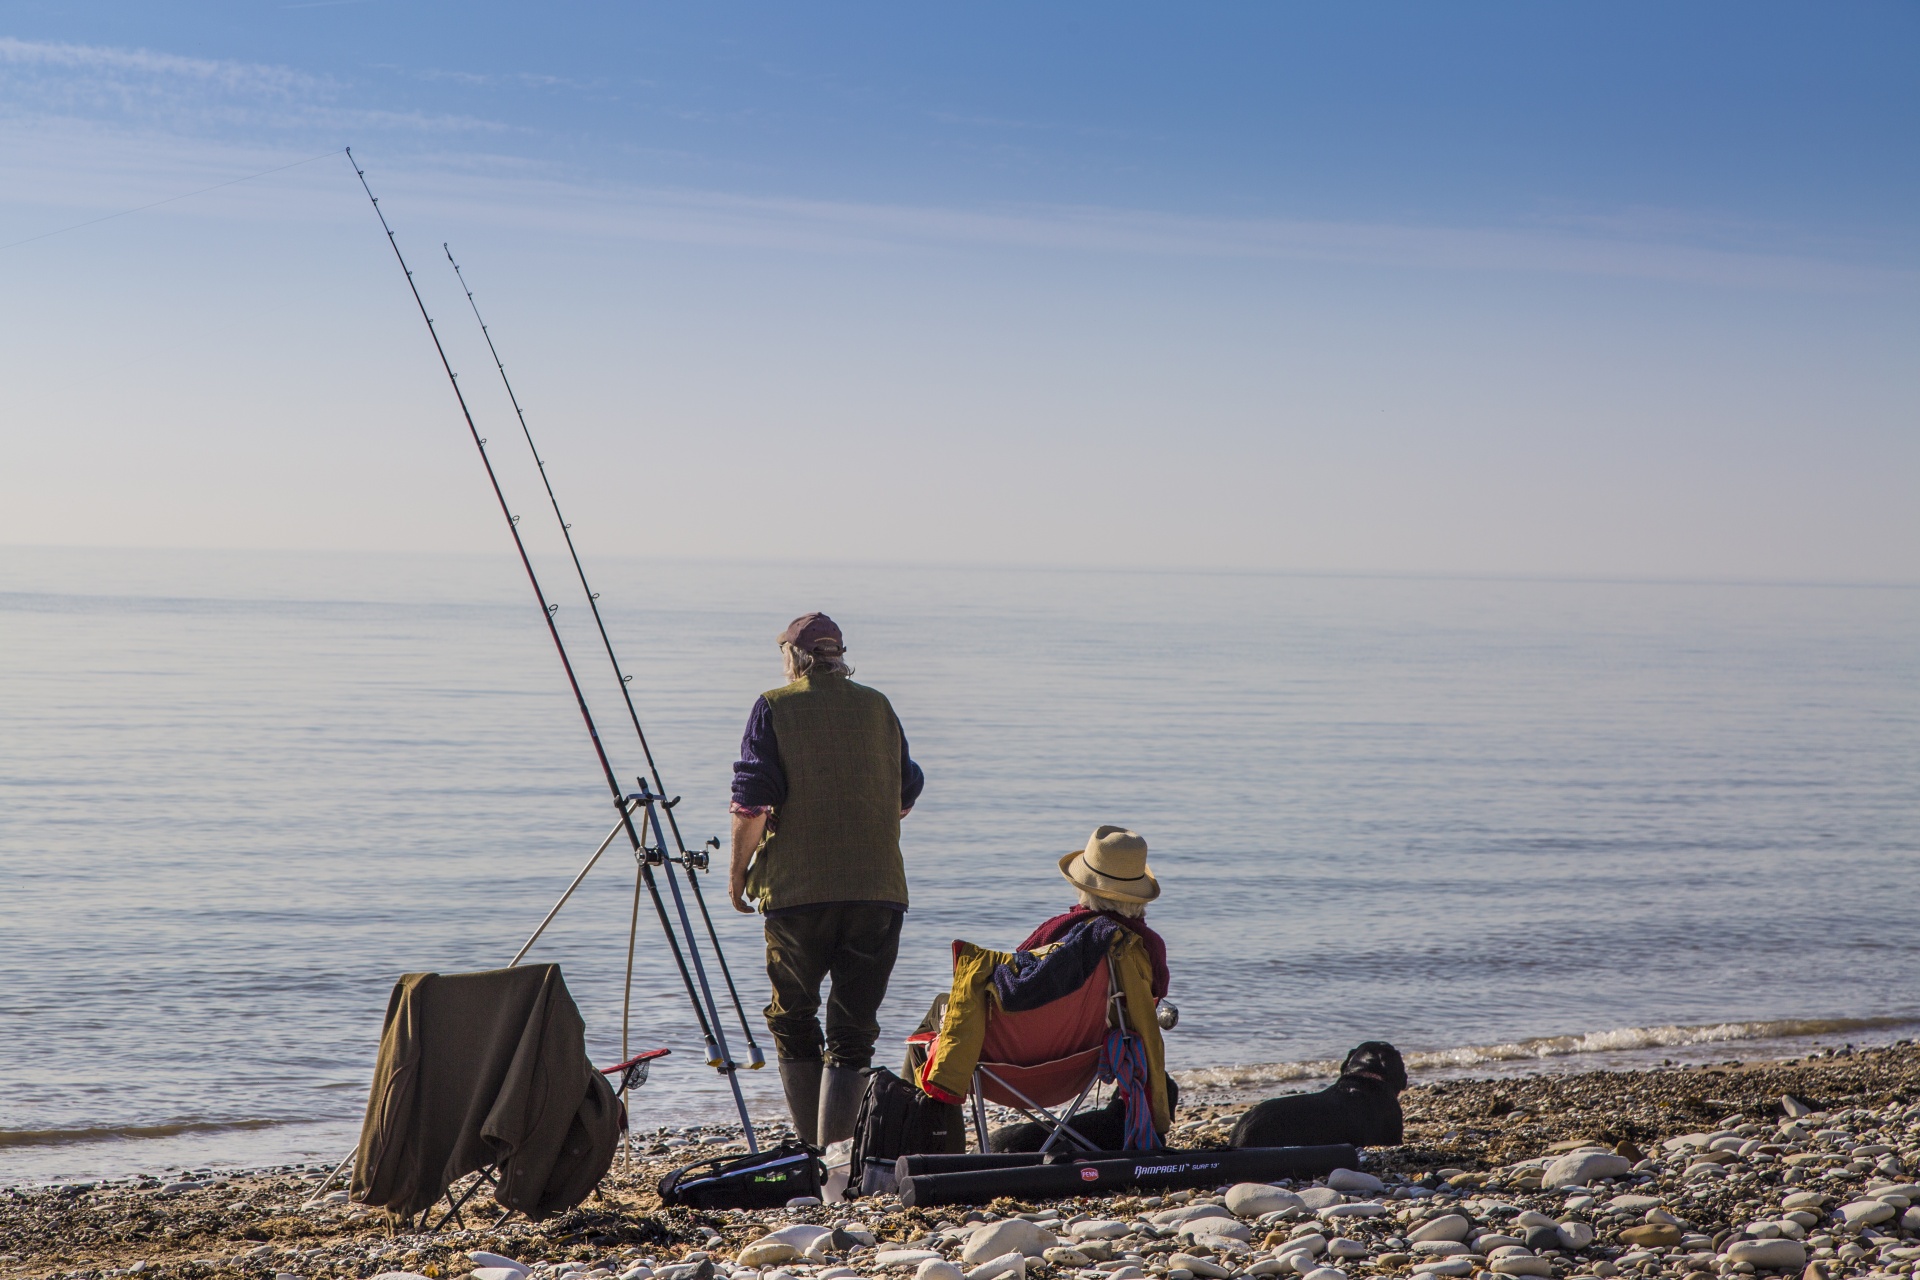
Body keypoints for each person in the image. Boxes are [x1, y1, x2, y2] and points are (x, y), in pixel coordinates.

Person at [728, 612, 925, 1150]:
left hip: (797, 894)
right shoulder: (878, 705)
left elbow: (752, 803)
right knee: (853, 1030)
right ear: (839, 656)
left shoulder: (774, 705)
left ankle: (816, 1155)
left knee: (792, 1017)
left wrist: (738, 873)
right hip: (878, 891)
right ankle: (841, 1160)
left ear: (794, 658)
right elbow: (907, 793)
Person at [1020, 824, 1170, 1001]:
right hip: (1113, 1025)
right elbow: (1156, 995)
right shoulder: (1149, 946)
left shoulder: (1059, 930)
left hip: (1057, 1025)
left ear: (1084, 887)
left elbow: (1020, 969)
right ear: (1137, 895)